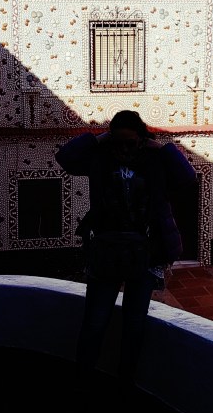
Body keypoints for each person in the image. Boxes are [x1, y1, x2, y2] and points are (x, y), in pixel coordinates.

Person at [55, 110, 197, 393]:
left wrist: (161, 147)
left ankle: (126, 382)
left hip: (146, 253)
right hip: (106, 252)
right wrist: (100, 138)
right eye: (117, 142)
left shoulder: (155, 161)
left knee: (134, 324)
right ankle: (83, 380)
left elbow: (187, 176)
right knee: (95, 322)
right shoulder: (100, 157)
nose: (123, 149)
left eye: (130, 143)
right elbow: (65, 158)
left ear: (141, 139)